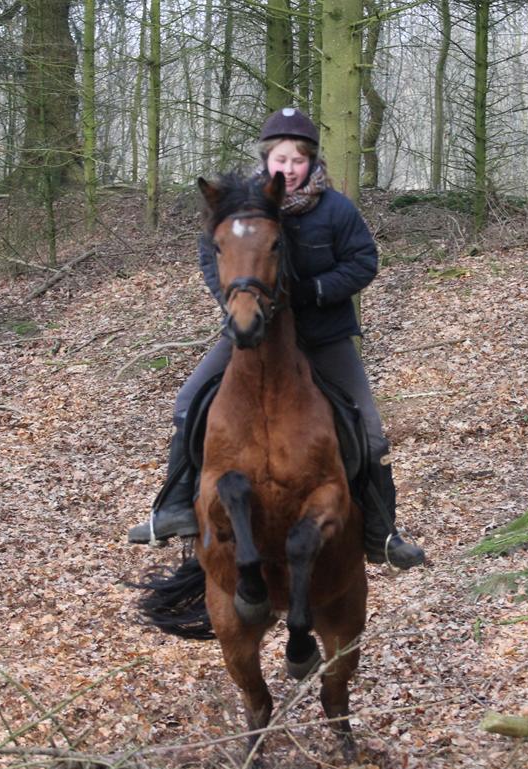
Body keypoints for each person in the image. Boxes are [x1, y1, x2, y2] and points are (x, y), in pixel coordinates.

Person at [127, 107, 426, 570]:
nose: (288, 168)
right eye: (281, 159)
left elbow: (364, 261)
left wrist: (315, 291)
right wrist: (238, 305)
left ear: (311, 163)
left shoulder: (335, 209)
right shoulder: (241, 204)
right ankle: (174, 507)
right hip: (254, 335)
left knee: (369, 433)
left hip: (324, 336)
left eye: (298, 160)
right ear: (267, 158)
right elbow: (214, 257)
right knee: (188, 402)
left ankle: (381, 533)